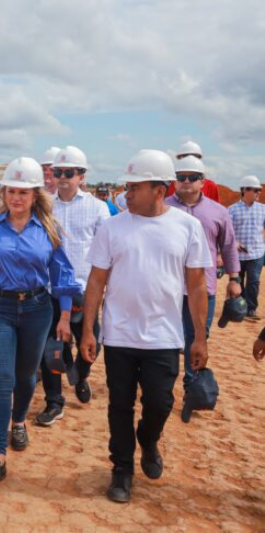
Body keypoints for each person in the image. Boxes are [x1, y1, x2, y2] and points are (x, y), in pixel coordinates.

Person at [81, 149, 212, 503]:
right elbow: (96, 281)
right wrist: (89, 329)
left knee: (160, 401)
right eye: (127, 186)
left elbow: (197, 284)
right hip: (120, 334)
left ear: (159, 189)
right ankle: (121, 470)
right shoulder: (113, 227)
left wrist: (199, 336)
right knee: (119, 405)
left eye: (134, 187)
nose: (127, 194)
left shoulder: (187, 227)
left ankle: (149, 439)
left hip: (164, 336)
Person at [0, 157, 80, 484]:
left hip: (37, 309)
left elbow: (63, 274)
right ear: (4, 194)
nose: (16, 198)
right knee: (2, 381)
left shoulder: (50, 229)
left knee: (27, 376)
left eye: (23, 192)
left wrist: (65, 316)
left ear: (35, 195)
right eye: (11, 191)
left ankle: (18, 421)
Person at [36, 146, 110, 427]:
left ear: (82, 175)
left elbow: (107, 251)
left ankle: (80, 374)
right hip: (50, 291)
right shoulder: (44, 205)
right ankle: (55, 402)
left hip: (85, 291)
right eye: (58, 172)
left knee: (93, 342)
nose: (62, 177)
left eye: (69, 172)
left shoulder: (97, 208)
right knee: (50, 350)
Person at [166, 155, 240, 400]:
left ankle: (191, 385)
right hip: (167, 286)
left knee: (197, 337)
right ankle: (162, 381)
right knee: (165, 336)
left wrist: (234, 278)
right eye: (181, 177)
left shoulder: (218, 212)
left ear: (202, 181)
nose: (186, 181)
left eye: (192, 177)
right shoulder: (163, 208)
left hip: (203, 288)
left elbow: (228, 246)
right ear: (174, 181)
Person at [228, 175, 265, 320]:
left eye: (259, 190)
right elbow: (227, 232)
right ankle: (240, 308)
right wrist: (234, 243)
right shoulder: (231, 210)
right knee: (238, 281)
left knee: (254, 281)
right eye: (255, 190)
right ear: (244, 190)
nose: (258, 193)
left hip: (257, 252)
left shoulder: (263, 209)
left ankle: (251, 309)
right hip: (237, 254)